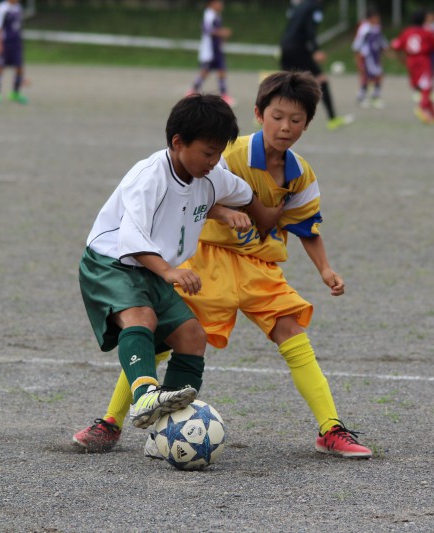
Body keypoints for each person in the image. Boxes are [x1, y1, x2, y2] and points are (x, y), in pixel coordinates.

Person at [75, 71, 373, 460]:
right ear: (259, 114)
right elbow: (190, 198)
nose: (285, 127)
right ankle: (113, 420)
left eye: (296, 120)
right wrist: (218, 216)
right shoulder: (224, 153)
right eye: (277, 117)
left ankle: (331, 428)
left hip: (259, 265)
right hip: (205, 262)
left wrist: (324, 268)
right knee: (159, 332)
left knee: (284, 332)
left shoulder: (297, 173)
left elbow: (300, 223)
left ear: (307, 124)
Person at [72, 94, 279, 439]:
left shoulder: (211, 174)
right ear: (178, 142)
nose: (214, 161)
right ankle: (145, 397)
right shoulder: (149, 177)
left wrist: (259, 217)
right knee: (142, 318)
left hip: (152, 268)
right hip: (112, 263)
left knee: (192, 336)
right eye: (208, 153)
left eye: (219, 153)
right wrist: (169, 272)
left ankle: (167, 433)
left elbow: (242, 194)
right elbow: (132, 237)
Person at [280, 0, 350, 130]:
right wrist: (316, 50)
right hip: (298, 49)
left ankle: (263, 112)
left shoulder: (302, 5)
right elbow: (310, 29)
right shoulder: (315, 7)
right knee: (321, 80)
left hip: (285, 46)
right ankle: (333, 119)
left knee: (286, 83)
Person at [391, 10, 434, 124]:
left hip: (410, 61)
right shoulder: (427, 32)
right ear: (423, 20)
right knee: (426, 87)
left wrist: (401, 59)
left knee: (422, 89)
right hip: (423, 61)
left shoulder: (407, 32)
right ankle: (421, 107)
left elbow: (396, 46)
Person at [187, 0, 234, 106]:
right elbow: (207, 29)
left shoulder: (216, 15)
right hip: (210, 50)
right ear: (212, 3)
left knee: (220, 70)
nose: (221, 4)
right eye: (218, 2)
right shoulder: (209, 14)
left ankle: (223, 95)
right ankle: (193, 91)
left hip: (216, 49)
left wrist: (221, 39)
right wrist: (222, 33)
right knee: (207, 71)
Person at [0, 0, 27, 104]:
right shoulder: (2, 9)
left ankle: (15, 93)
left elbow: (19, 26)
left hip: (16, 43)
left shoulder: (18, 8)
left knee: (19, 67)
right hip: (5, 43)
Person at [351, 7, 388, 109]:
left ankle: (375, 96)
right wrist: (357, 58)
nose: (378, 20)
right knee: (366, 76)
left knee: (378, 75)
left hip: (375, 56)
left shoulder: (377, 28)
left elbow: (381, 41)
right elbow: (357, 45)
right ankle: (362, 97)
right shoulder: (364, 30)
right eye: (376, 18)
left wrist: (385, 50)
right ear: (371, 18)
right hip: (366, 57)